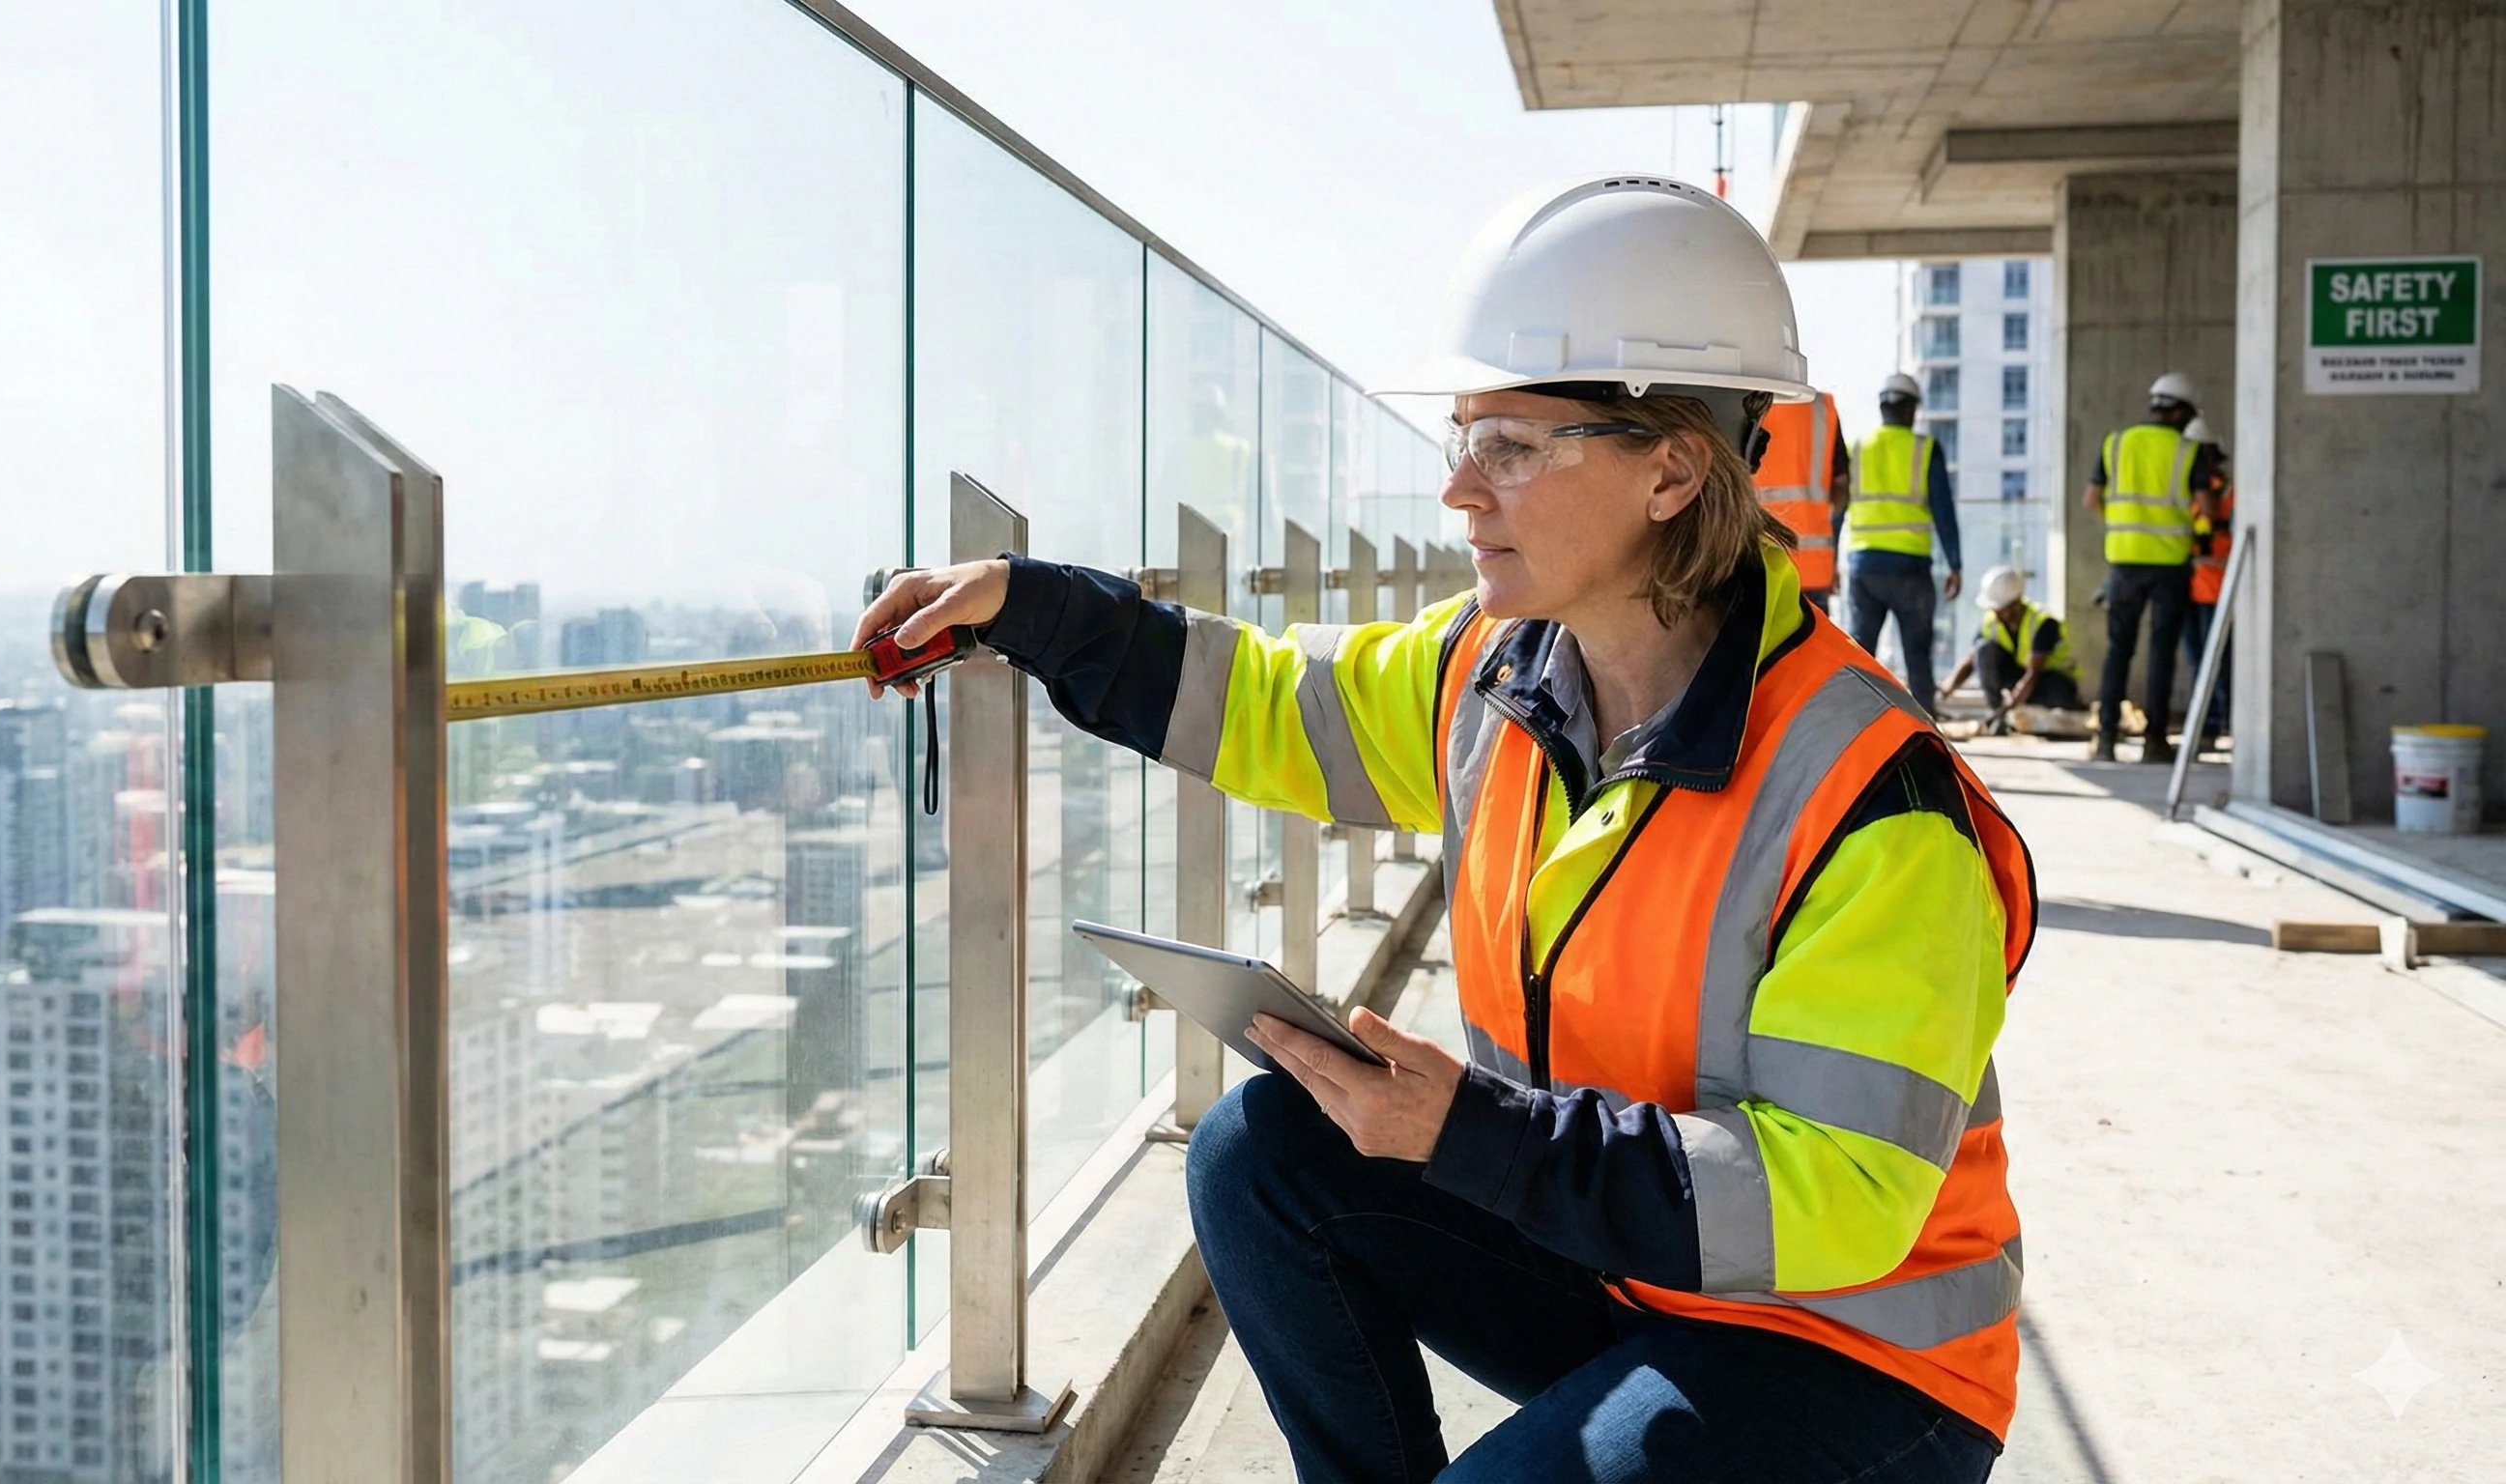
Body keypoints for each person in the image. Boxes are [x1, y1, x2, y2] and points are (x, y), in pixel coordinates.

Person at [857, 176, 2031, 1484]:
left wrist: (1474, 1135)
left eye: (1513, 448)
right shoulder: (1499, 676)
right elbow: (1270, 705)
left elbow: (1843, 1197)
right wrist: (1036, 609)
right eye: (1462, 438)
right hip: (1627, 1272)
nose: (1460, 494)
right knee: (1261, 1154)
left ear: (1674, 469)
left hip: (1846, 1355)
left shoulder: (1873, 796)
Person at [2084, 371, 2210, 761]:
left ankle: (2105, 740)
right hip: (2170, 564)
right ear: (2181, 412)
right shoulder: (2189, 450)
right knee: (2161, 652)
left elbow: (2091, 499)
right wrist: (2196, 534)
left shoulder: (2116, 443)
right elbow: (2204, 507)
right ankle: (2154, 741)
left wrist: (2119, 528)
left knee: (2118, 651)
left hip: (2123, 562)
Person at [1843, 373, 1963, 711]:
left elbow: (1838, 508)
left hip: (1864, 566)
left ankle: (1853, 728)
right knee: (1917, 655)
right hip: (1910, 567)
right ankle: (1926, 732)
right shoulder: (1925, 450)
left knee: (1860, 654)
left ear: (1883, 407)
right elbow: (1944, 511)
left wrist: (1829, 565)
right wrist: (1955, 563)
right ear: (1912, 409)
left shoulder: (1858, 448)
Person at [1942, 565, 2081, 729]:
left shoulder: (2043, 622)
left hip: (2050, 680)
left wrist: (2008, 707)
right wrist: (1945, 690)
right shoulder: (1991, 622)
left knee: (2058, 696)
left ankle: (2009, 715)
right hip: (2020, 677)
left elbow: (2033, 674)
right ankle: (1996, 711)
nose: (1996, 613)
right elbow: (1971, 661)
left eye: (2001, 609)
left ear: (2015, 604)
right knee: (1984, 650)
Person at [1750, 391, 1850, 610]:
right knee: (1811, 643)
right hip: (1814, 567)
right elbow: (1841, 489)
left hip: (1757, 564)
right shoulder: (1822, 408)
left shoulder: (1746, 401)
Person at [2178, 417, 2233, 743]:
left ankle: (2222, 721)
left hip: (2215, 586)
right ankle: (2208, 725)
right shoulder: (2184, 490)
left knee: (2218, 663)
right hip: (2188, 585)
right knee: (2198, 662)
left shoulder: (2226, 491)